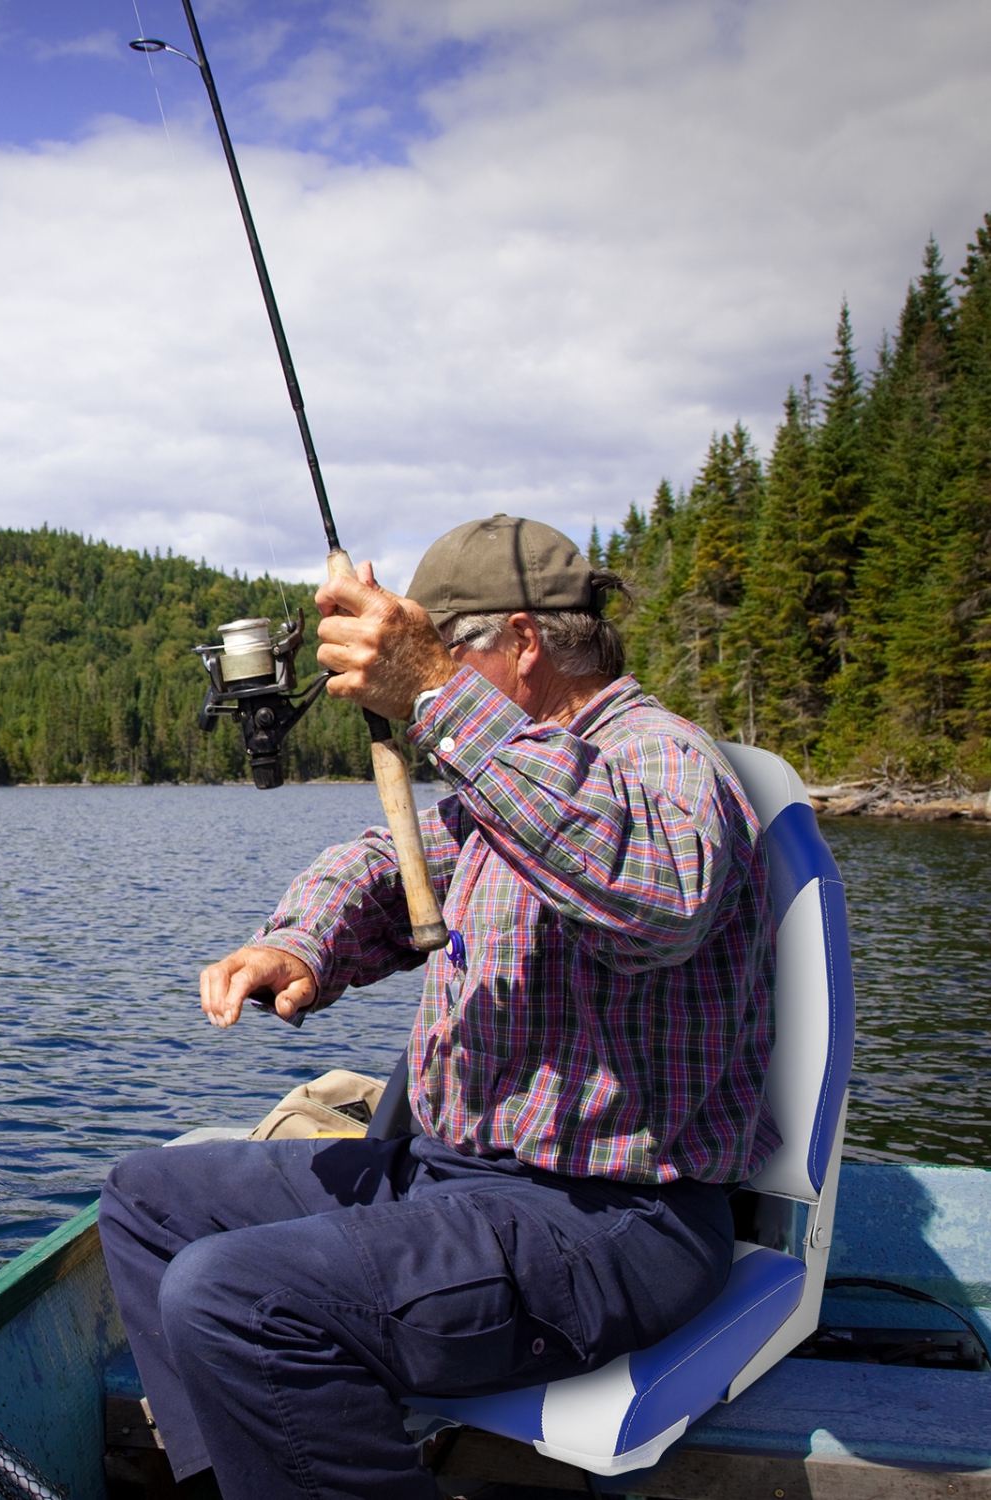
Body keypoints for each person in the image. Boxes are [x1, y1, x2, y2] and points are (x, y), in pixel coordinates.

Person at [99, 515, 778, 1500]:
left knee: (234, 1296)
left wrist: (428, 690)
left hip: (611, 1221)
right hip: (449, 1179)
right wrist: (299, 942)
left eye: (449, 651)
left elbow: (656, 898)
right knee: (148, 1197)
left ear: (525, 640)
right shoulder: (514, 777)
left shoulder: (661, 759)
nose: (426, 682)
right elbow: (392, 869)